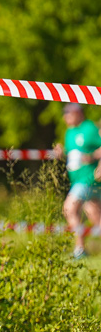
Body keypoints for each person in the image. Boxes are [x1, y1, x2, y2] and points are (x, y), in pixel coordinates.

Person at [53, 103, 101, 259]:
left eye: (68, 114)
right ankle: (80, 249)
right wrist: (61, 152)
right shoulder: (69, 132)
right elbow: (72, 153)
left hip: (88, 178)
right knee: (96, 217)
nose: (65, 117)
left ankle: (79, 249)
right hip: (77, 180)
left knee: (69, 209)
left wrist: (93, 157)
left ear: (78, 113)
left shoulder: (90, 128)